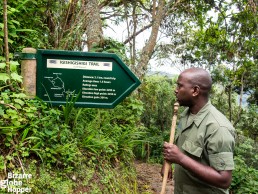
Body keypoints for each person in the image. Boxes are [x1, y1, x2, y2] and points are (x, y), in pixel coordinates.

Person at [162, 67, 235, 194]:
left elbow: (224, 180)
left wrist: (180, 159)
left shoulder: (218, 128)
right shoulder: (186, 114)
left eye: (180, 86)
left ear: (195, 91)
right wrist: (168, 162)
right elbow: (181, 148)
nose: (176, 90)